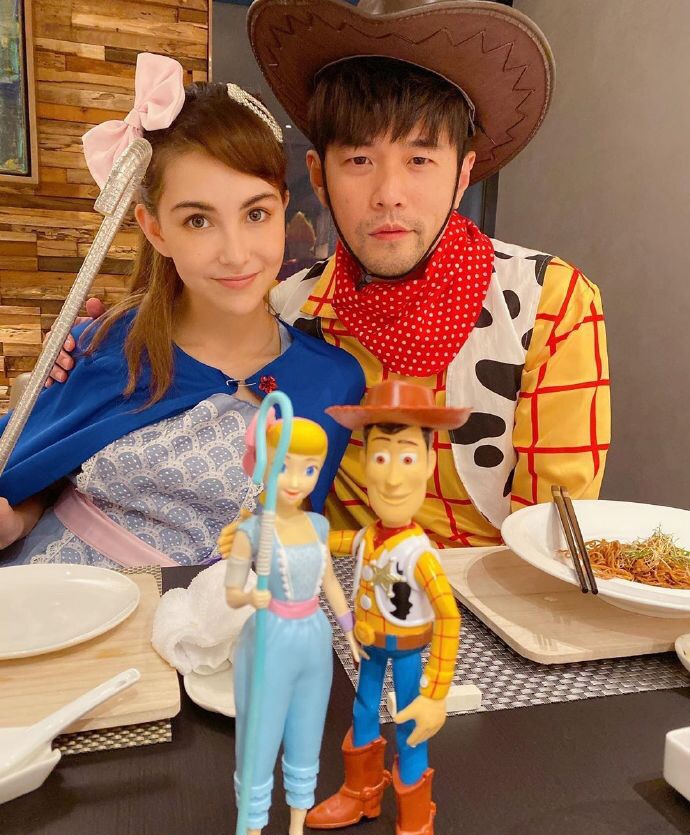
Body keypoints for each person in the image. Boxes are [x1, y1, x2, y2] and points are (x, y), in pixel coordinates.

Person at [49, 0, 611, 553]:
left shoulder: (547, 303)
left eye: (420, 159)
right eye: (359, 160)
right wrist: (88, 351)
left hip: (480, 597)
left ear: (463, 174)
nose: (389, 194)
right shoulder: (289, 306)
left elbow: (551, 541)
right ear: (318, 177)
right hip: (319, 585)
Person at [0, 52, 363, 568]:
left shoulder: (332, 381)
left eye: (256, 213)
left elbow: (291, 536)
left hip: (211, 611)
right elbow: (40, 469)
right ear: (155, 229)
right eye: (198, 221)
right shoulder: (107, 344)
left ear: (284, 208)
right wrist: (16, 519)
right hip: (59, 589)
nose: (235, 253)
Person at [306, 380, 464, 833]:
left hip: (410, 654)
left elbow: (449, 616)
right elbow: (336, 541)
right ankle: (361, 794)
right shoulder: (367, 537)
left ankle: (414, 820)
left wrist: (437, 693)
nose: (392, 478)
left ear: (430, 463)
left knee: (412, 728)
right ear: (363, 465)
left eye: (407, 458)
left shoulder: (419, 555)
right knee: (362, 713)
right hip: (369, 647)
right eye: (380, 457)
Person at [226, 412, 359, 835]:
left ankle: (296, 825)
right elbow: (232, 593)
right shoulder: (252, 531)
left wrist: (349, 629)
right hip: (271, 637)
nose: (297, 480)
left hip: (315, 638)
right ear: (264, 464)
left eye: (310, 469)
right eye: (284, 466)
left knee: (307, 731)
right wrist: (250, 596)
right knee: (259, 738)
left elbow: (329, 581)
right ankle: (252, 825)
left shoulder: (318, 525)